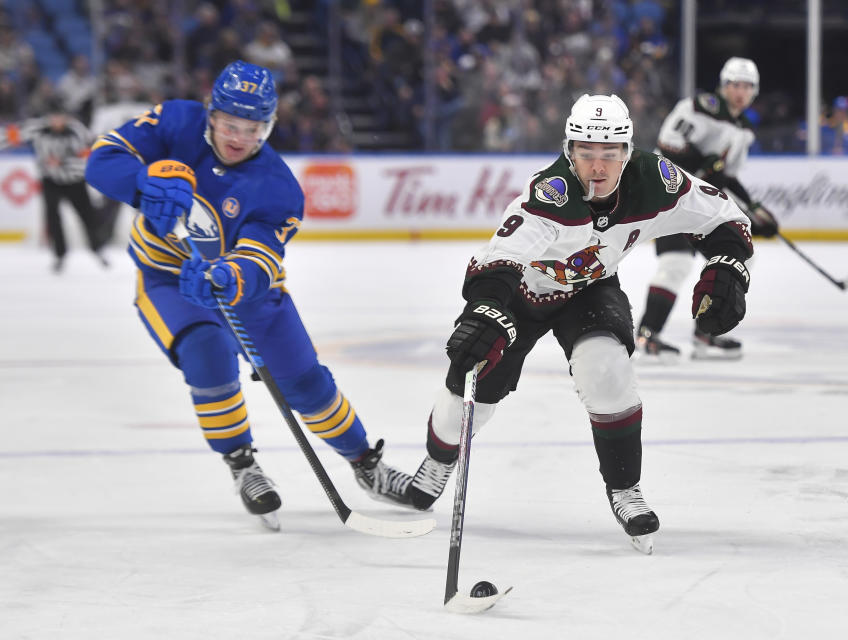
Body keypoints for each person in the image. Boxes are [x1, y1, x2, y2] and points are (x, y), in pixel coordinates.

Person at [386, 94, 754, 548]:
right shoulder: (551, 194)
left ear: (628, 152)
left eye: (609, 154)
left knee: (606, 369)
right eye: (585, 153)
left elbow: (726, 216)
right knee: (469, 386)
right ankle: (438, 461)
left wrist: (727, 270)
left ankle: (625, 489)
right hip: (522, 293)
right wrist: (484, 313)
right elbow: (501, 258)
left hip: (590, 290)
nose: (597, 166)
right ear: (568, 150)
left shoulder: (655, 180)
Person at [84, 60, 410, 530]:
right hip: (167, 279)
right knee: (206, 350)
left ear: (268, 127)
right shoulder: (175, 122)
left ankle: (366, 465)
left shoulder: (277, 188)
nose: (239, 137)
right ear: (210, 114)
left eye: (253, 128)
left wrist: (228, 277)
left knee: (305, 383)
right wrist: (142, 180)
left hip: (242, 289)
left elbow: (259, 259)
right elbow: (103, 159)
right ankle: (242, 464)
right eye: (230, 124)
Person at [633, 56, 776, 362]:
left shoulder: (744, 129)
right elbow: (668, 144)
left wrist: (753, 209)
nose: (740, 91)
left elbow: (724, 176)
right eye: (735, 85)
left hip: (700, 201)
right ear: (724, 87)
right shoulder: (699, 107)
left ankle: (707, 332)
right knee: (676, 263)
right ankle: (647, 335)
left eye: (747, 86)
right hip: (670, 191)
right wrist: (702, 161)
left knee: (739, 255)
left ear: (754, 91)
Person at [0, 100, 108, 272]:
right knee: (53, 218)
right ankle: (60, 255)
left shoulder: (77, 131)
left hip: (75, 181)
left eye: (60, 117)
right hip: (50, 180)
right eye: (53, 117)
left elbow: (87, 160)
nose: (56, 121)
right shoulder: (38, 128)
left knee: (87, 216)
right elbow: (11, 136)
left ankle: (98, 250)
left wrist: (62, 163)